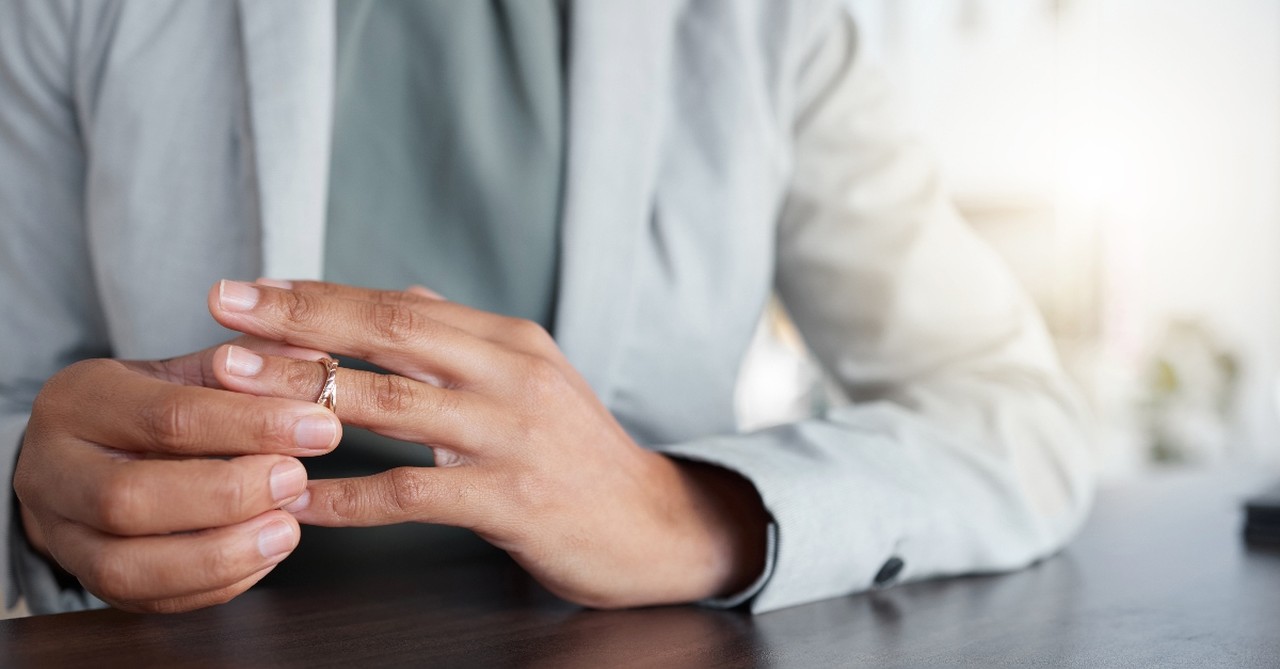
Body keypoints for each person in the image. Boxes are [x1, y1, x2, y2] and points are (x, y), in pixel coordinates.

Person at [0, 0, 1095, 616]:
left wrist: (691, 514)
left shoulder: (773, 25)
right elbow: (17, 405)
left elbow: (1015, 423)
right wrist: (32, 496)